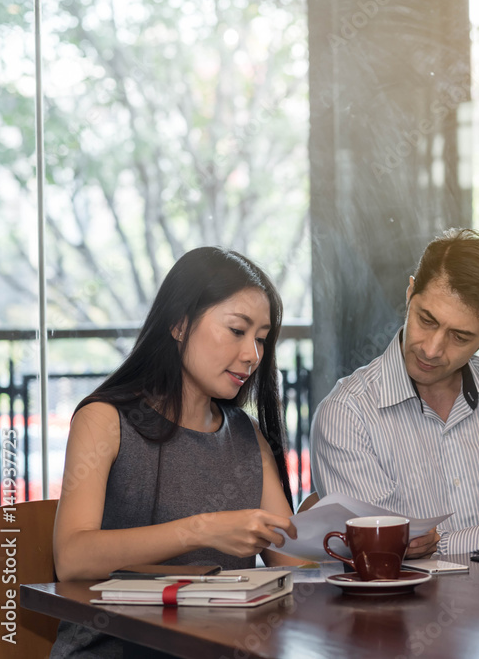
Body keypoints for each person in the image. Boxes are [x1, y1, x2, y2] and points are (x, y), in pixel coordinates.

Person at [51, 247, 306, 658]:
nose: (252, 355)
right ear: (180, 324)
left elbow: (294, 564)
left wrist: (345, 542)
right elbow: (72, 557)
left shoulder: (247, 435)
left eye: (261, 339)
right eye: (238, 331)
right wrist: (203, 529)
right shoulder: (105, 420)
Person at [312, 229, 479, 556]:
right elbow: (377, 551)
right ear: (410, 292)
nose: (432, 349)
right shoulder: (347, 413)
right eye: (426, 319)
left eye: (460, 337)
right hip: (400, 606)